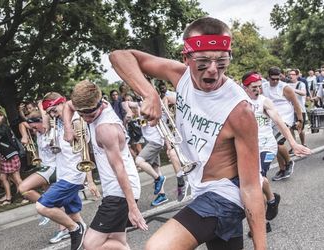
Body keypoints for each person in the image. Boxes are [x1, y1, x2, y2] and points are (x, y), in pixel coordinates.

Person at [110, 16, 266, 250]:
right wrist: (150, 93)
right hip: (201, 186)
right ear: (186, 57)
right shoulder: (179, 76)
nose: (213, 70)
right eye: (203, 62)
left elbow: (252, 186)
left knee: (158, 247)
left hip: (225, 194)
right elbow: (119, 56)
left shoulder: (239, 110)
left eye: (222, 61)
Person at [63, 80, 148, 250]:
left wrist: (133, 207)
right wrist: (68, 128)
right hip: (113, 189)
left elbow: (119, 169)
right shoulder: (90, 103)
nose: (86, 118)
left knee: (91, 244)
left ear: (99, 103)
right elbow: (67, 105)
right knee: (119, 241)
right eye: (82, 114)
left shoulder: (105, 129)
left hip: (120, 191)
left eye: (90, 114)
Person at [241, 71, 311, 236]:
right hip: (249, 149)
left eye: (259, 87)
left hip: (266, 146)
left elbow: (279, 122)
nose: (258, 90)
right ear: (245, 87)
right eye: (254, 88)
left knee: (256, 182)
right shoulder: (239, 103)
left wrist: (293, 143)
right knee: (256, 181)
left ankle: (262, 223)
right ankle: (272, 199)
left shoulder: (264, 102)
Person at [35, 92, 99, 250]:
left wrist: (89, 180)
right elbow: (47, 146)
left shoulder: (76, 120)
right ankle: (82, 233)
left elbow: (84, 151)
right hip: (63, 174)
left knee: (42, 207)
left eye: (53, 108)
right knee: (74, 216)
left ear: (62, 103)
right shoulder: (56, 124)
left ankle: (74, 229)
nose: (51, 113)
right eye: (48, 111)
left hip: (73, 175)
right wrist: (48, 122)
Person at [262, 67, 303, 181]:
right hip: (271, 118)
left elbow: (296, 104)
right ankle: (282, 169)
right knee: (274, 145)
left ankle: (289, 162)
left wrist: (300, 120)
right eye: (273, 79)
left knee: (277, 142)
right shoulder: (264, 86)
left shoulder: (285, 88)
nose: (275, 81)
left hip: (285, 118)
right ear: (268, 76)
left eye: (277, 78)